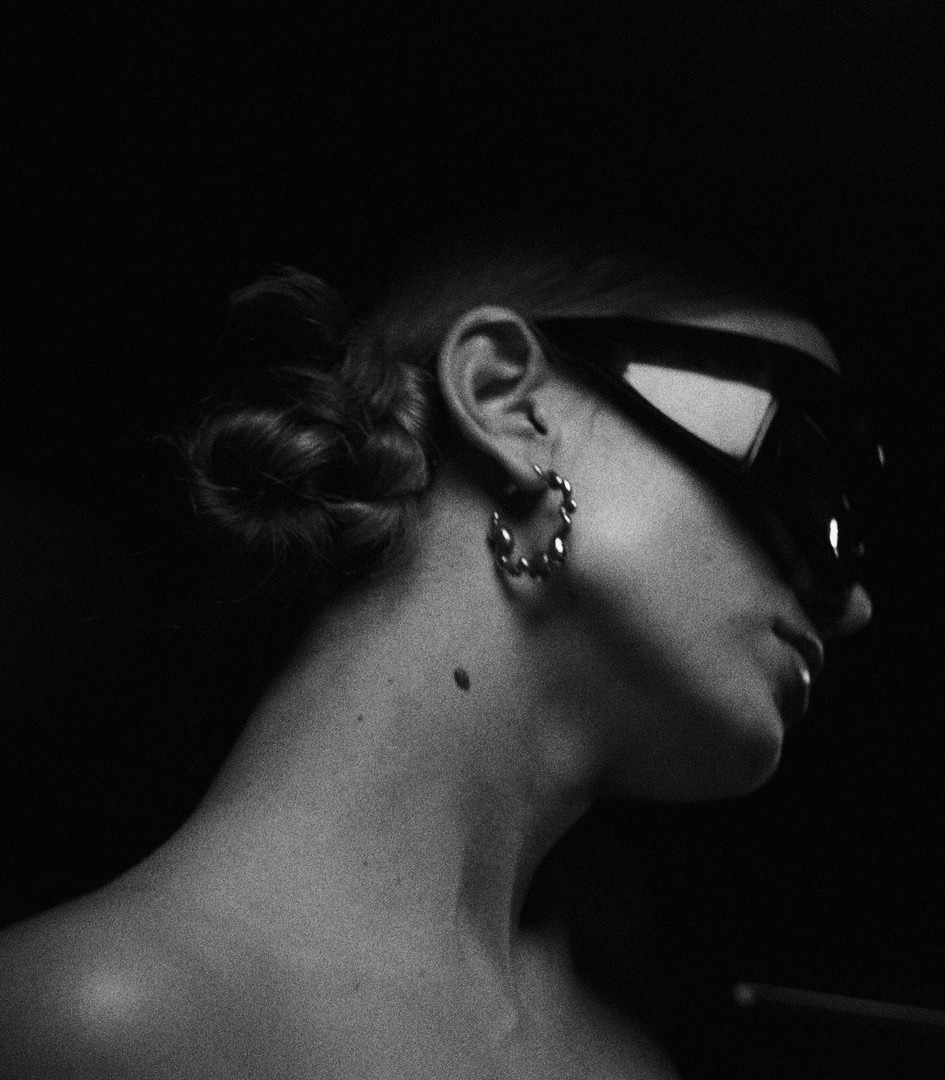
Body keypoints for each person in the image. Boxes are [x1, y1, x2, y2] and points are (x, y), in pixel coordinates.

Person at [0, 230, 878, 1078]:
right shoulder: (93, 1025)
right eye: (810, 474)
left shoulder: (634, 1057)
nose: (854, 605)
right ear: (508, 401)